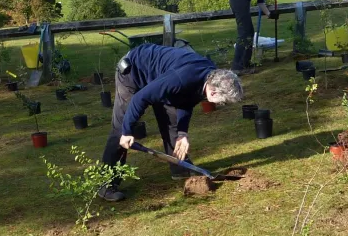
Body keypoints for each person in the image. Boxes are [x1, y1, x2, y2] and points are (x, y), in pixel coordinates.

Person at [98, 43, 244, 201]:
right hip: (133, 72)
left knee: (174, 126)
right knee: (119, 131)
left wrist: (183, 132)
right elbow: (142, 97)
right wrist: (127, 131)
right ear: (214, 91)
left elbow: (186, 102)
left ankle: (180, 168)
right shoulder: (181, 79)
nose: (220, 104)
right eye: (222, 101)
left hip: (161, 77)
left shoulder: (210, 76)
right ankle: (106, 184)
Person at [229, 0, 285, 73]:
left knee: (248, 33)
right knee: (244, 33)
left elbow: (261, 3)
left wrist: (270, 14)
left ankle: (244, 64)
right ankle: (238, 67)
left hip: (241, 1)